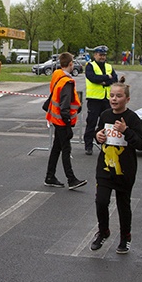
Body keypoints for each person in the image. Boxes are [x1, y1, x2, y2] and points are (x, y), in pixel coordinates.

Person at [90, 81, 142, 254]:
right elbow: (99, 132)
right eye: (112, 95)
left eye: (119, 96)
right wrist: (97, 135)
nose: (114, 99)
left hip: (125, 170)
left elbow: (141, 144)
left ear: (127, 99)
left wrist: (126, 130)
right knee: (101, 202)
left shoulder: (133, 119)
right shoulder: (105, 115)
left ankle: (125, 237)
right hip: (105, 168)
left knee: (123, 205)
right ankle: (104, 231)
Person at [44, 52, 87, 190]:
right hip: (62, 121)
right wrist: (68, 125)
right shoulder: (67, 82)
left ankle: (50, 177)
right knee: (66, 150)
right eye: (73, 62)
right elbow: (65, 106)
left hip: (56, 119)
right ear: (70, 64)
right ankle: (71, 179)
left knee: (57, 149)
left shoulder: (57, 76)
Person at [83, 45, 118, 155]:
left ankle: (106, 144)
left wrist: (104, 80)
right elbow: (92, 78)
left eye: (104, 55)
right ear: (95, 55)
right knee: (91, 123)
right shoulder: (90, 66)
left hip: (106, 99)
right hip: (94, 99)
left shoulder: (109, 66)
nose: (102, 57)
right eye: (100, 55)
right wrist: (107, 77)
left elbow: (115, 79)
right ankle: (88, 146)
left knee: (107, 123)